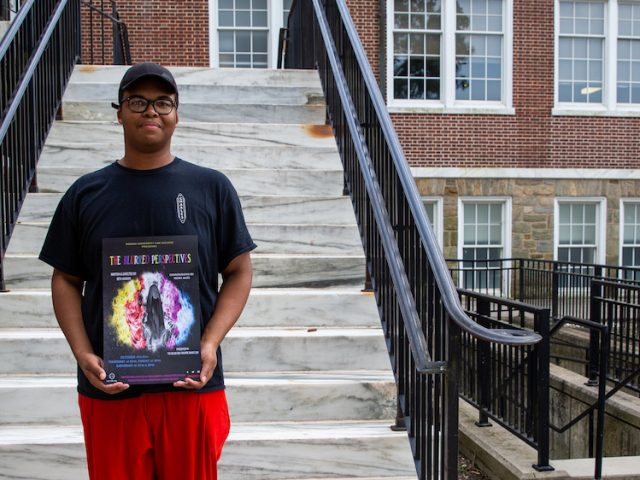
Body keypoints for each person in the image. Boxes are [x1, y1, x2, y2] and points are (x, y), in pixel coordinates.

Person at [39, 62, 256, 480]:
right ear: (119, 112)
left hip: (190, 384)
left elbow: (239, 271)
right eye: (137, 101)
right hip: (111, 387)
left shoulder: (210, 187)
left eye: (163, 102)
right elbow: (65, 277)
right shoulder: (86, 193)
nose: (150, 111)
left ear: (177, 113)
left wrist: (209, 343)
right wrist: (83, 353)